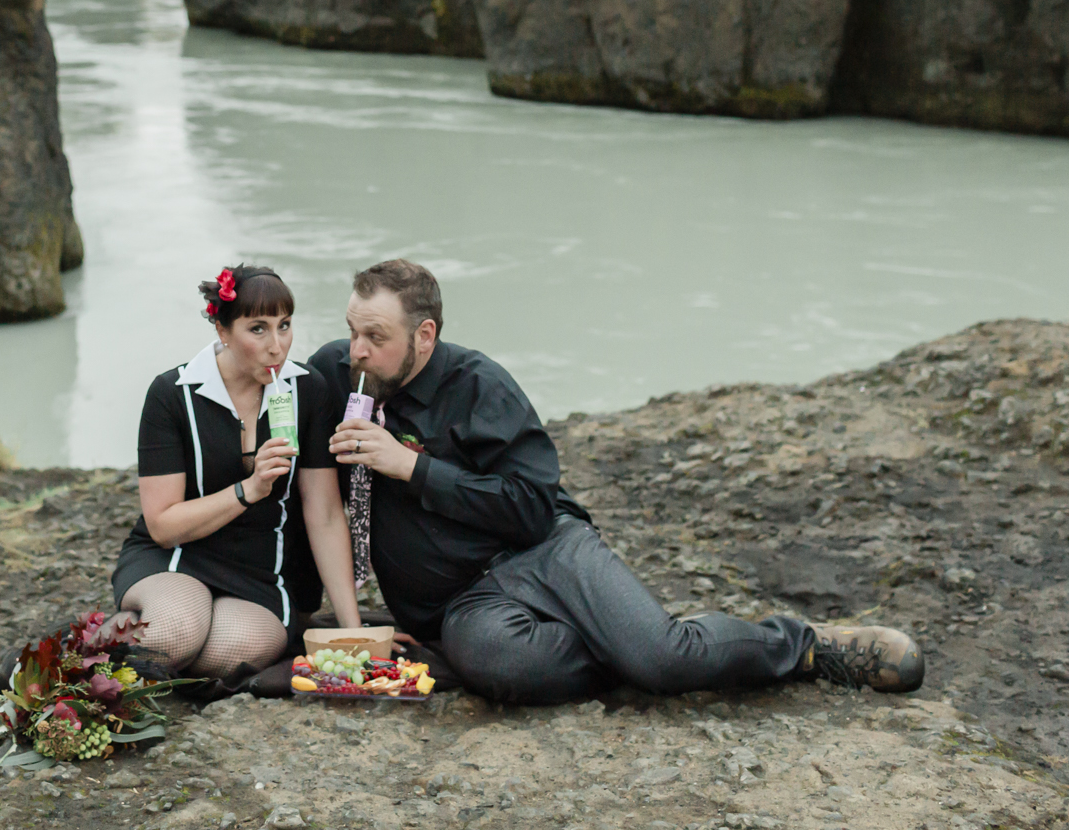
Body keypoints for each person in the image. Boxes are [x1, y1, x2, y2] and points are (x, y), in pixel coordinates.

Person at [310, 258, 924, 705]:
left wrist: (410, 466)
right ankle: (630, 644)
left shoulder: (480, 386)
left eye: (376, 337)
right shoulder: (337, 375)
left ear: (425, 336)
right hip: (462, 604)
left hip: (543, 550)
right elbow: (273, 408)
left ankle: (805, 646)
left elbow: (530, 508)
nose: (356, 350)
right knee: (500, 671)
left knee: (664, 658)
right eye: (352, 330)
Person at [111, 265, 361, 681]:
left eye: (284, 326)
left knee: (232, 653)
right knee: (174, 634)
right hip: (178, 557)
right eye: (258, 329)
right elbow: (163, 525)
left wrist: (352, 630)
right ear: (222, 331)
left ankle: (132, 647)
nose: (276, 346)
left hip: (262, 572)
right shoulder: (172, 395)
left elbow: (326, 513)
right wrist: (250, 489)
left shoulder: (307, 390)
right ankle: (97, 645)